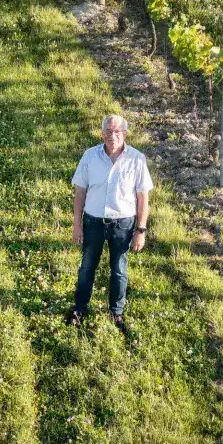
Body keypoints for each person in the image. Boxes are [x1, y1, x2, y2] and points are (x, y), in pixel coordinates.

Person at [68, 114, 153, 333]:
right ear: (102, 133)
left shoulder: (136, 159)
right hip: (93, 221)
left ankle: (116, 313)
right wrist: (77, 225)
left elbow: (143, 198)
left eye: (117, 132)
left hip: (122, 224)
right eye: (108, 131)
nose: (112, 136)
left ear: (124, 134)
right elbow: (80, 193)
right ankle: (80, 309)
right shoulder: (90, 156)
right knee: (87, 267)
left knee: (119, 270)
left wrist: (140, 230)